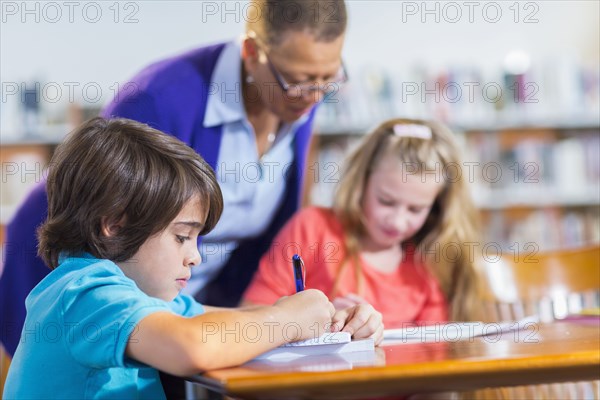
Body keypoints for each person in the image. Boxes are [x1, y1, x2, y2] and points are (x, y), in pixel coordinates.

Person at [0, 0, 349, 357]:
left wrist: (320, 317)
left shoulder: (303, 97)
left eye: (329, 78)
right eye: (298, 81)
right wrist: (279, 320)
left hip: (168, 296)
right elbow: (104, 216)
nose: (314, 96)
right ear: (251, 51)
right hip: (95, 269)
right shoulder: (160, 97)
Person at [2, 117, 382, 399]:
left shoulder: (143, 299)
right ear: (114, 226)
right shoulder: (84, 293)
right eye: (182, 237)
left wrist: (327, 318)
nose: (195, 257)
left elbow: (225, 322)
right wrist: (290, 318)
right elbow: (191, 346)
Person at [243, 118, 482, 326]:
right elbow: (250, 315)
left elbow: (433, 354)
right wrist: (316, 322)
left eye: (416, 209)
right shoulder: (313, 228)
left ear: (436, 209)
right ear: (361, 182)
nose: (398, 222)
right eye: (386, 201)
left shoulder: (430, 261)